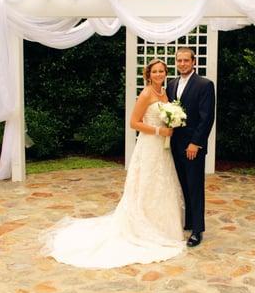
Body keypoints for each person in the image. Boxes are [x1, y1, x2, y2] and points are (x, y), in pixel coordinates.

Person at [41, 59, 185, 268]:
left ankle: (163, 228)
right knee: (146, 184)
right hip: (149, 146)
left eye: (162, 71)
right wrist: (159, 130)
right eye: (155, 71)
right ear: (148, 74)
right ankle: (141, 227)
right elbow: (134, 122)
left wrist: (172, 123)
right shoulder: (146, 94)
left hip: (162, 149)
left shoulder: (165, 93)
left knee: (161, 185)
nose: (159, 74)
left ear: (166, 73)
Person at [166, 47, 215, 247]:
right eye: (180, 61)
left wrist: (196, 143)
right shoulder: (171, 84)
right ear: (176, 62)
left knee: (195, 187)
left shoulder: (204, 85)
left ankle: (197, 230)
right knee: (183, 184)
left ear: (193, 62)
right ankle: (189, 221)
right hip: (175, 145)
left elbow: (206, 118)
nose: (183, 64)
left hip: (193, 146)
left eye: (187, 60)